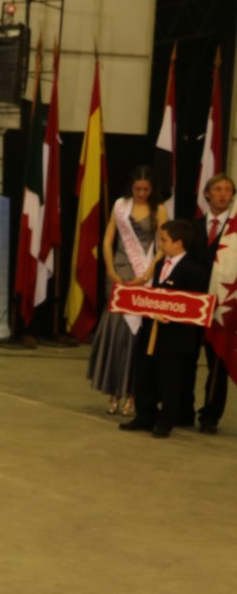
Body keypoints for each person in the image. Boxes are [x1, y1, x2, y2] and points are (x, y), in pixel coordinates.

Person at [120, 219, 211, 438]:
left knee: (169, 379)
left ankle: (166, 419)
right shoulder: (161, 265)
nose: (160, 244)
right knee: (145, 375)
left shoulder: (194, 271)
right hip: (152, 331)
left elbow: (194, 307)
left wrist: (171, 314)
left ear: (178, 243)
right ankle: (145, 415)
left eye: (164, 240)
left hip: (174, 338)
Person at [89, 167, 166, 416]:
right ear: (131, 187)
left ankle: (133, 394)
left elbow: (163, 245)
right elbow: (108, 239)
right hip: (120, 272)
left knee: (137, 336)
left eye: (146, 189)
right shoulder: (120, 205)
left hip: (146, 274)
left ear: (152, 189)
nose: (141, 193)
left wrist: (148, 273)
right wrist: (111, 270)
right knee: (117, 333)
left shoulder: (159, 209)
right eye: (137, 189)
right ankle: (114, 391)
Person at [198, 173, 235, 433]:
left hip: (221, 307)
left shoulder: (235, 231)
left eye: (228, 190)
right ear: (207, 193)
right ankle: (180, 410)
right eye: (218, 189)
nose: (223, 194)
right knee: (185, 361)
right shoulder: (192, 226)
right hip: (193, 305)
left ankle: (210, 416)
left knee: (217, 364)